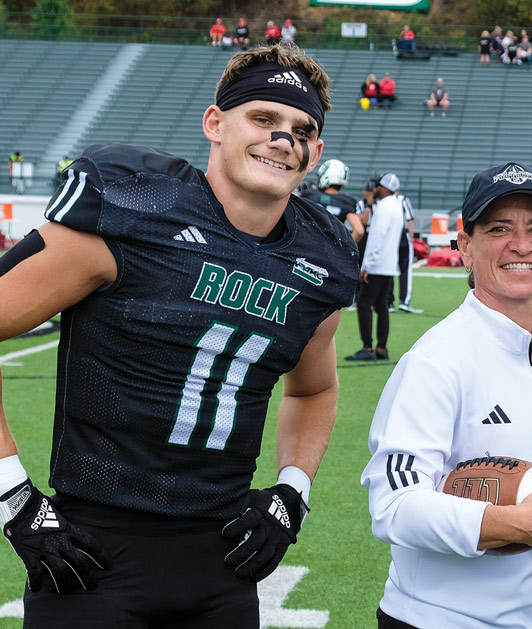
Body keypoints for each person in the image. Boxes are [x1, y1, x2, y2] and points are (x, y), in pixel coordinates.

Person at [0, 44, 359, 628]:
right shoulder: (134, 207)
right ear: (215, 124)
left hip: (223, 562)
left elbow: (313, 389)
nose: (282, 139)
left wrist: (292, 491)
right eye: (263, 119)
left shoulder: (321, 258)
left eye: (301, 129)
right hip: (93, 555)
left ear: (315, 153)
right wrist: (12, 497)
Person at [361, 162, 532, 629]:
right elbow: (394, 507)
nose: (521, 245)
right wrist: (513, 523)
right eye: (499, 228)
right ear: (465, 247)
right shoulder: (434, 361)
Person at [346, 173, 403, 362]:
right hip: (388, 266)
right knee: (381, 307)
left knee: (363, 304)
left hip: (376, 266)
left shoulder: (383, 208)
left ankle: (368, 347)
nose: (375, 188)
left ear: (384, 188)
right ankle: (381, 348)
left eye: (378, 186)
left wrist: (366, 266)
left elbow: (376, 239)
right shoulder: (396, 205)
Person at [301, 158, 365, 244]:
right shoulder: (346, 201)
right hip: (329, 250)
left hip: (305, 243)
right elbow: (359, 231)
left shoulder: (310, 194)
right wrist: (344, 249)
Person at [390, 185, 422, 314]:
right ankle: (404, 301)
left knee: (389, 269)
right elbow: (409, 221)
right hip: (403, 237)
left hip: (391, 237)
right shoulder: (402, 200)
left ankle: (389, 302)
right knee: (406, 269)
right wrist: (412, 238)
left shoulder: (384, 202)